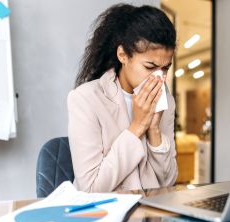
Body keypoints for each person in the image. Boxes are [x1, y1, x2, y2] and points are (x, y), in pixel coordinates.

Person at [67, 3, 178, 192]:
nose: (159, 78)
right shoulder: (85, 99)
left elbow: (169, 182)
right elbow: (90, 189)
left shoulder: (166, 102)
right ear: (123, 55)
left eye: (165, 68)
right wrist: (137, 127)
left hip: (151, 215)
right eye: (150, 67)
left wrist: (154, 130)